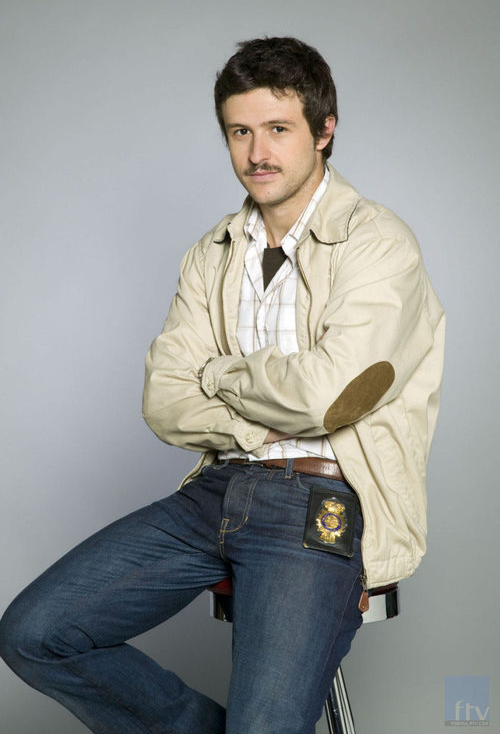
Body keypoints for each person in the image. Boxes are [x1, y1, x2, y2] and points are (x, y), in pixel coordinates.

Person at [0, 36, 445, 734]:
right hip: (217, 490)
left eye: (278, 129)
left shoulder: (377, 243)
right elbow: (163, 401)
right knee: (33, 633)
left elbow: (330, 398)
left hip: (321, 500)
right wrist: (250, 423)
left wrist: (218, 374)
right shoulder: (212, 253)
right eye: (240, 132)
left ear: (324, 130)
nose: (257, 152)